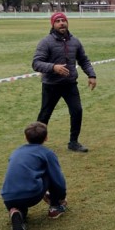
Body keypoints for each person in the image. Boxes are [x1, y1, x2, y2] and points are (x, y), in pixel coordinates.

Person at [33, 12, 97, 153]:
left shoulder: (75, 41)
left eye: (64, 20)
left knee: (77, 111)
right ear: (53, 24)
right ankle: (36, 144)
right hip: (51, 85)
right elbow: (36, 63)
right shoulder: (46, 42)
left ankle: (73, 142)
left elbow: (84, 60)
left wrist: (91, 75)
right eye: (58, 21)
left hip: (70, 84)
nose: (62, 23)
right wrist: (53, 67)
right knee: (45, 114)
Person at [0, 122, 68, 230]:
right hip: (31, 195)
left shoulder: (16, 152)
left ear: (25, 137)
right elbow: (58, 179)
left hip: (8, 197)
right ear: (46, 137)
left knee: (21, 189)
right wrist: (61, 196)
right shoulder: (47, 153)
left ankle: (17, 212)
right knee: (49, 172)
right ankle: (55, 207)